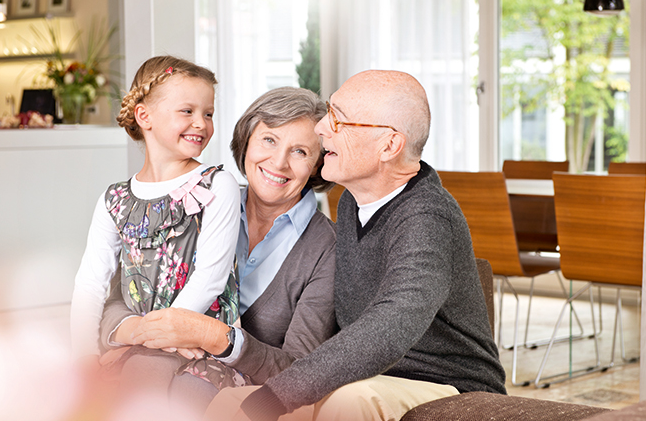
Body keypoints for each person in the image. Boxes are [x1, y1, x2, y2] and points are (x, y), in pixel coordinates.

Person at [205, 70, 507, 421]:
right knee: (229, 403)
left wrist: (274, 397)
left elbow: (390, 325)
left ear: (389, 146)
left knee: (348, 401)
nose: (321, 128)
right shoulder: (352, 202)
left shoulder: (427, 216)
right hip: (371, 376)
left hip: (446, 382)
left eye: (339, 119)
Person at [96, 86, 338, 416]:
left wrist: (216, 338)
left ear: (318, 164)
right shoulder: (198, 202)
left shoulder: (327, 248)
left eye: (300, 151)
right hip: (152, 361)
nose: (279, 162)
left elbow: (300, 372)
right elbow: (117, 302)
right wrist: (145, 332)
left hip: (240, 394)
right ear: (246, 141)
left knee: (183, 390)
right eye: (269, 140)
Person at [70, 55, 241, 359]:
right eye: (187, 111)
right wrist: (85, 358)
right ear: (144, 116)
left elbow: (210, 279)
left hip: (194, 345)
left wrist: (157, 336)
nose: (201, 123)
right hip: (136, 345)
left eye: (209, 113)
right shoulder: (115, 200)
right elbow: (91, 284)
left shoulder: (217, 185)